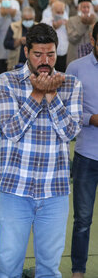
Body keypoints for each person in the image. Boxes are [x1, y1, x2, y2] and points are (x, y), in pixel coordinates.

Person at [0, 23, 82, 278]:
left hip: (55, 191)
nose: (45, 61)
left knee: (49, 269)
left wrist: (52, 96)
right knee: (8, 266)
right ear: (25, 51)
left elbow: (70, 133)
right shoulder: (6, 81)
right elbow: (10, 131)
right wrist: (36, 95)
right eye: (38, 54)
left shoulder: (70, 84)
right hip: (15, 190)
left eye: (51, 54)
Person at [67, 24, 98, 278]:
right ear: (92, 39)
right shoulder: (76, 68)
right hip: (87, 154)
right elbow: (67, 111)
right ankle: (78, 270)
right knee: (83, 220)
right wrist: (91, 119)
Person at [67, 0, 96, 64]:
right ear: (79, 8)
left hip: (91, 56)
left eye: (88, 7)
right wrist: (83, 24)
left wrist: (91, 24)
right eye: (83, 7)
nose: (86, 10)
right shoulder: (71, 20)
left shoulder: (95, 19)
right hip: (75, 56)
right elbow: (72, 38)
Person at [41, 0, 69, 72]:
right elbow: (42, 37)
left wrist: (68, 26)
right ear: (52, 11)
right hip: (48, 55)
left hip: (63, 55)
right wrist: (54, 27)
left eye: (62, 12)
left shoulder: (67, 22)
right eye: (58, 12)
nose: (60, 14)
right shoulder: (45, 21)